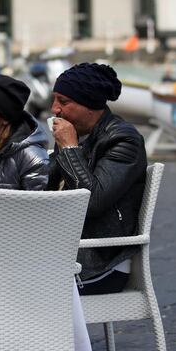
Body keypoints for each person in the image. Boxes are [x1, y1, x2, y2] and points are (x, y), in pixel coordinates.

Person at [47, 63, 147, 295]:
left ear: (90, 105)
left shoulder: (123, 139)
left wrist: (70, 149)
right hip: (62, 251)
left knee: (8, 286)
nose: (54, 110)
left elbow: (91, 202)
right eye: (54, 100)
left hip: (100, 263)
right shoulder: (78, 134)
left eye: (63, 101)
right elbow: (46, 188)